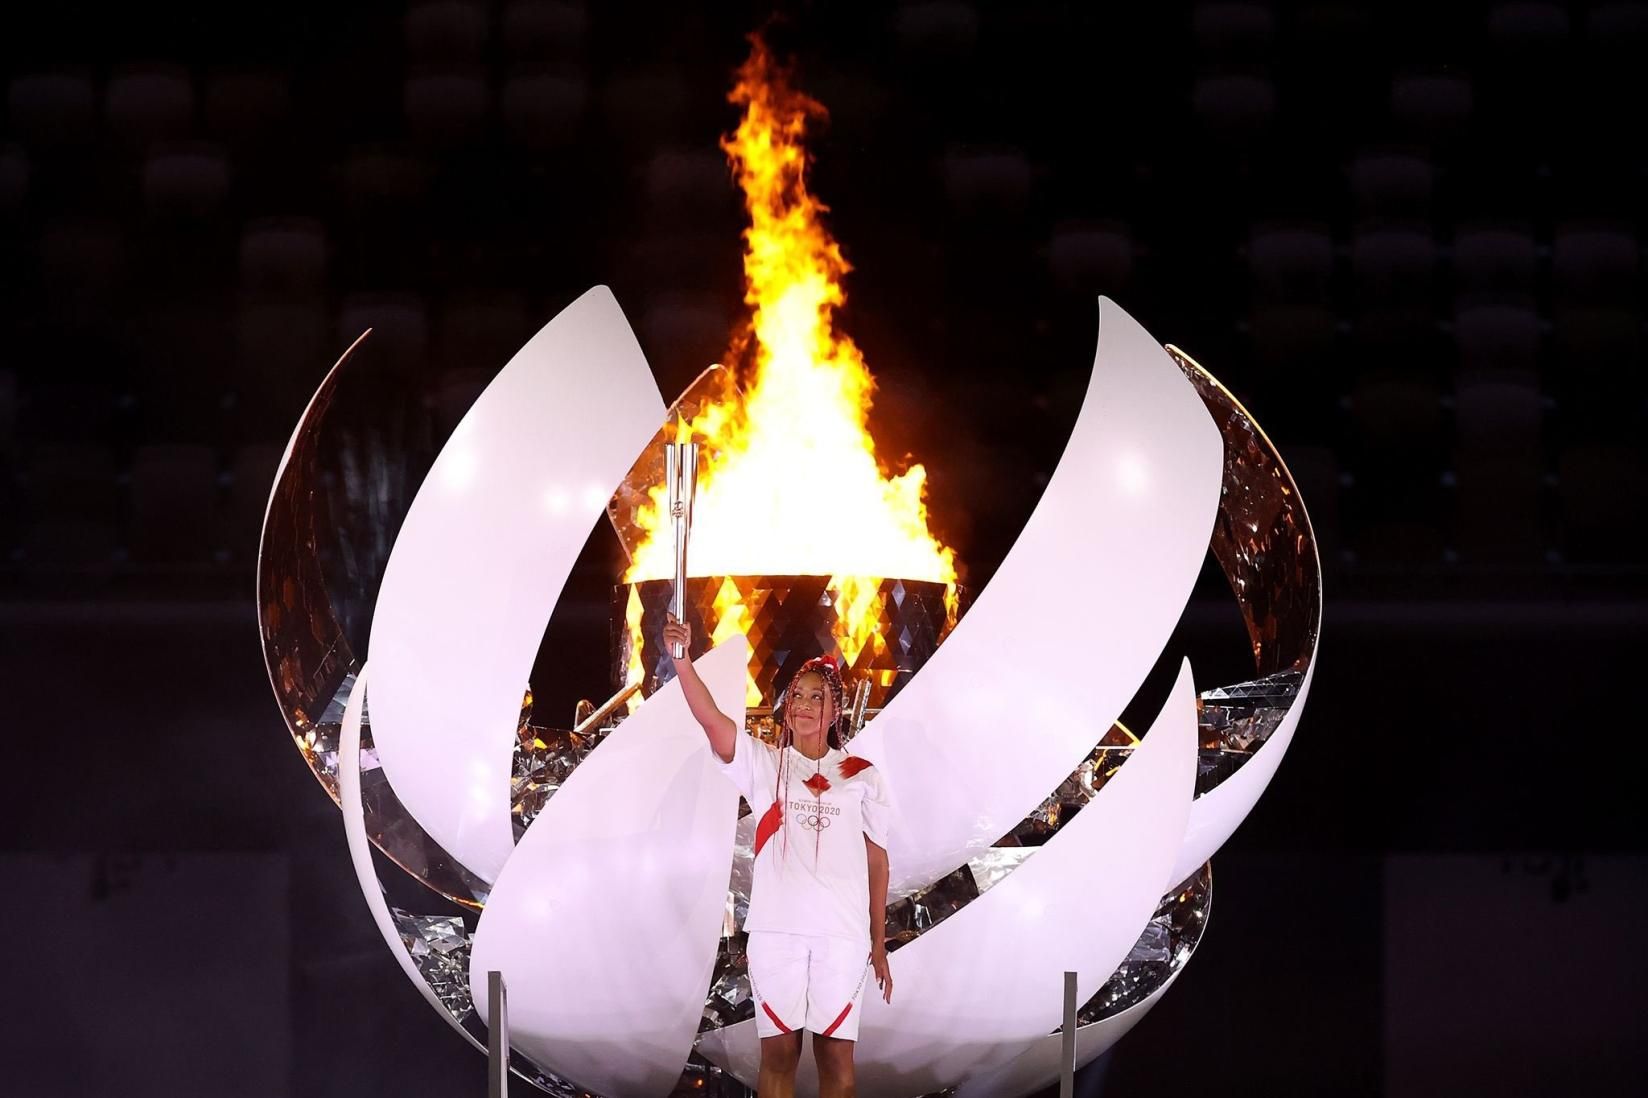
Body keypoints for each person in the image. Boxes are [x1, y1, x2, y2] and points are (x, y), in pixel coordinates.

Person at [664, 612, 893, 1098]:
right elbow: (712, 721)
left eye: (818, 697)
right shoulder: (767, 765)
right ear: (785, 707)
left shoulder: (861, 775)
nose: (805, 704)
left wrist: (878, 940)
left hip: (842, 936)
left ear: (835, 711)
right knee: (779, 1056)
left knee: (837, 1061)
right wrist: (683, 664)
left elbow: (877, 860)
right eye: (798, 696)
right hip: (777, 933)